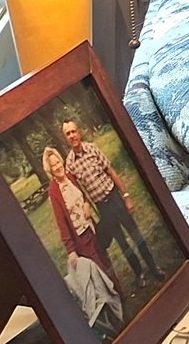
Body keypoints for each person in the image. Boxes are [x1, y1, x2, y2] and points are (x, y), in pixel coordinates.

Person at [61, 120, 158, 286]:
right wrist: (86, 205)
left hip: (114, 198)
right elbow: (77, 191)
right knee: (122, 241)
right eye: (68, 134)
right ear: (65, 138)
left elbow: (112, 172)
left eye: (73, 131)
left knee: (135, 233)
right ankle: (139, 273)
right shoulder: (69, 164)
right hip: (102, 207)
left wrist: (126, 196)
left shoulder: (92, 149)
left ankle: (153, 267)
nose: (72, 136)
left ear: (79, 132)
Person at [43, 146, 119, 297]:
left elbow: (83, 196)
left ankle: (119, 292)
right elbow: (61, 223)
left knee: (106, 260)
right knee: (99, 268)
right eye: (53, 165)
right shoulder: (54, 192)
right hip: (81, 237)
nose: (57, 167)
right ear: (49, 170)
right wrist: (71, 250)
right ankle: (111, 299)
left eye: (57, 162)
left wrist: (86, 204)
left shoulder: (71, 177)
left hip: (91, 228)